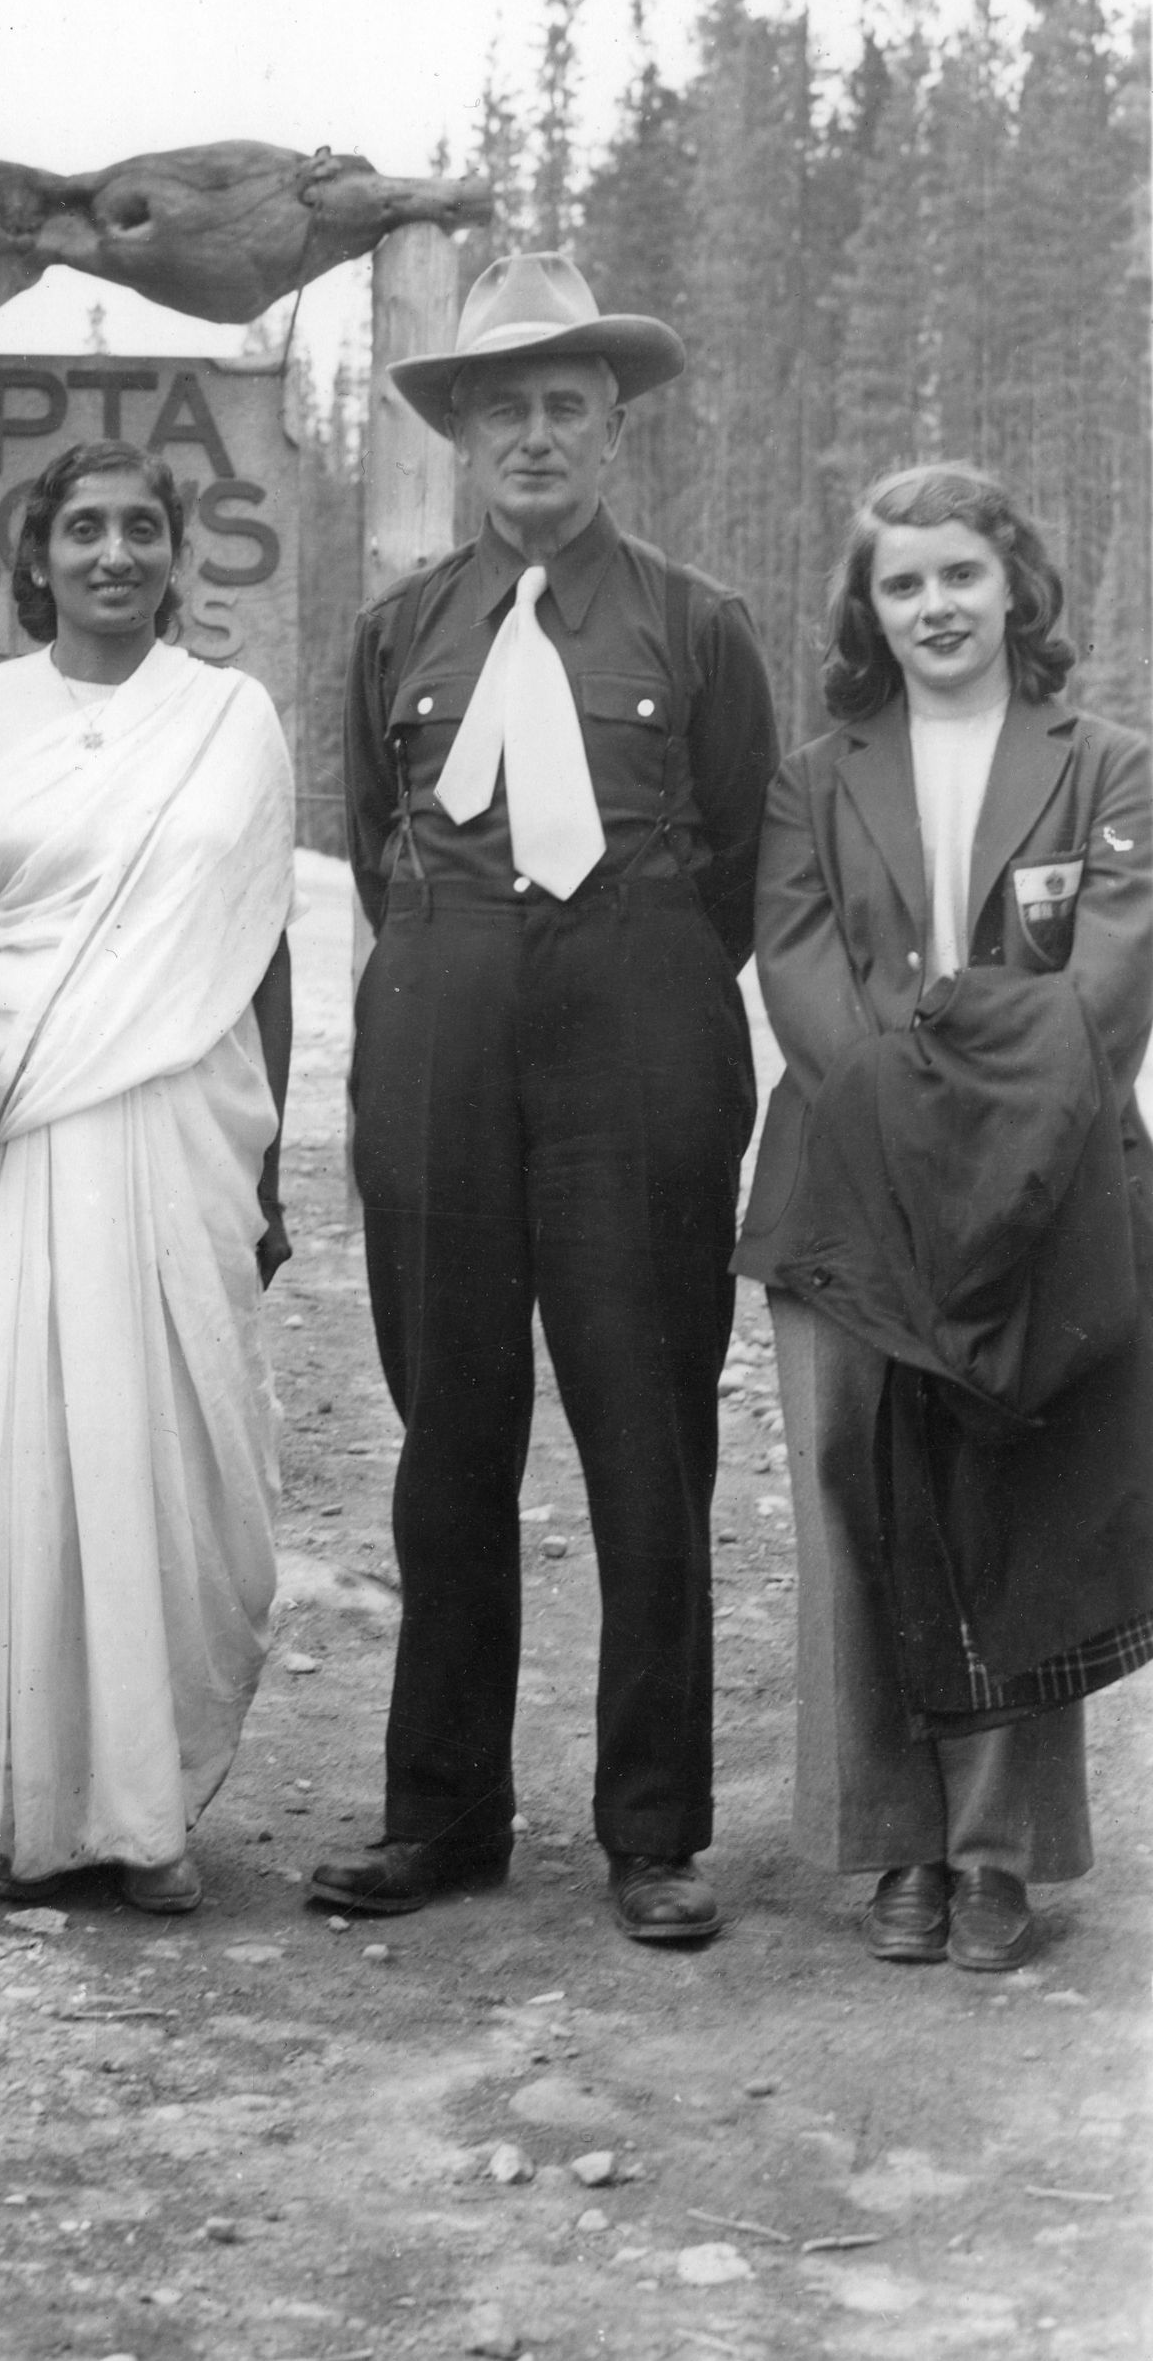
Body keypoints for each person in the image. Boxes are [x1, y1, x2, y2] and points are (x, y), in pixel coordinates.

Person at [311, 254, 778, 1938]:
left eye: (565, 406)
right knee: (450, 1428)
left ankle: (652, 1830)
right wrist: (466, 977)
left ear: (612, 430)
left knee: (647, 1432)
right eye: (501, 406)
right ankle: (442, 1814)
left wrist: (628, 980)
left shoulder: (697, 627)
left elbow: (734, 857)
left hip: (641, 1038)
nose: (533, 435)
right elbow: (375, 849)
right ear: (459, 435)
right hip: (441, 1025)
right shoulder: (397, 634)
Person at [0, 438, 295, 1916]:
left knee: (170, 1456)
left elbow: (260, 952)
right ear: (36, 553)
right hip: (23, 1129)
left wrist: (275, 1158)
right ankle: (22, 1807)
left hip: (181, 1130)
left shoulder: (232, 720)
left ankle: (148, 1807)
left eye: (142, 530)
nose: (113, 554)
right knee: (32, 1442)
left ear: (180, 555)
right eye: (82, 530)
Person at [736, 463, 1153, 1972]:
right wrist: (911, 1133)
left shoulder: (1109, 766)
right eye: (903, 585)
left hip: (1048, 1187)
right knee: (851, 1493)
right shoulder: (813, 777)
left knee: (1013, 1505)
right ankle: (894, 1845)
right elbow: (799, 975)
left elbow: (1107, 983)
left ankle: (1001, 1858)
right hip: (849, 1193)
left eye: (960, 577)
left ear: (1015, 587)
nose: (935, 608)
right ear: (869, 610)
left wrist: (988, 1146)